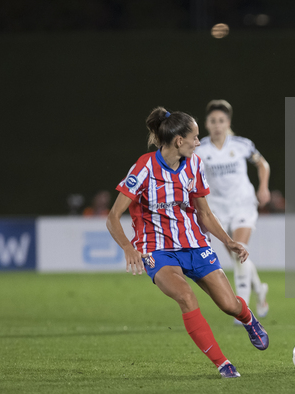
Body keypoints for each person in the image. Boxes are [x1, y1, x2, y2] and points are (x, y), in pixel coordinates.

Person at [106, 107, 269, 379]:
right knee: (186, 297)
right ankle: (223, 363)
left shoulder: (194, 164)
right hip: (158, 250)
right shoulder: (144, 167)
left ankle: (249, 319)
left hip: (195, 245)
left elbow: (204, 213)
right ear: (179, 140)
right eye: (194, 137)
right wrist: (128, 247)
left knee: (229, 305)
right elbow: (113, 216)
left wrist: (228, 241)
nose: (198, 142)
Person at [194, 100, 270, 322]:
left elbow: (262, 164)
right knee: (239, 257)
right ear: (207, 124)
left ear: (228, 123)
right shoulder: (200, 149)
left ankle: (242, 307)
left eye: (221, 121)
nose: (217, 125)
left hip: (243, 203)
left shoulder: (242, 144)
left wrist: (263, 187)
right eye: (213, 121)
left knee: (240, 251)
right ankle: (260, 289)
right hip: (216, 209)